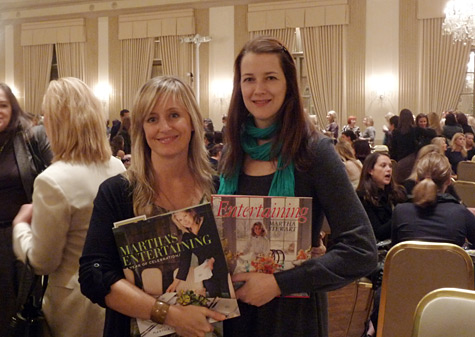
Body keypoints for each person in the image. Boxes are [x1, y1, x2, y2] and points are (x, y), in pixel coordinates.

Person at [217, 36, 377, 337]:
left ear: (288, 84)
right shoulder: (231, 152)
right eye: (249, 79)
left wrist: (278, 283)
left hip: (292, 319)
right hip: (234, 317)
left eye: (270, 78)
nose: (258, 89)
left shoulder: (314, 152)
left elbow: (362, 250)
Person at [79, 76, 226, 337]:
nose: (164, 127)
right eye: (152, 119)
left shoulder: (220, 187)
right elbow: (94, 276)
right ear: (141, 129)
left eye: (174, 115)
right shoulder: (117, 192)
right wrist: (171, 315)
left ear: (192, 121)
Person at [12, 77, 125, 337]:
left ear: (56, 123)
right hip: (116, 298)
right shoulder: (115, 166)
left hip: (74, 308)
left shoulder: (53, 180)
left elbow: (43, 261)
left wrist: (20, 228)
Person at [0, 83, 52, 331]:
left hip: (19, 234)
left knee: (18, 309)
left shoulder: (30, 137)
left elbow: (55, 176)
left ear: (12, 108)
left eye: (2, 105)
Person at [392, 152, 475, 247]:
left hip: (409, 262)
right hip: (449, 262)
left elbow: (395, 250)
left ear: (417, 180)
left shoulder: (400, 211)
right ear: (449, 180)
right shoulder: (461, 213)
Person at [167, 208, 231, 298]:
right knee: (215, 299)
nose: (184, 221)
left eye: (185, 216)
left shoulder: (210, 223)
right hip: (206, 272)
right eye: (180, 220)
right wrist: (174, 284)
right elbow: (184, 261)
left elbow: (223, 246)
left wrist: (213, 259)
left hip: (222, 265)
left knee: (230, 295)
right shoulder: (187, 237)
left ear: (192, 213)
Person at [356, 152, 406, 241]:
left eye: (390, 166)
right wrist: (401, 214)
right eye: (383, 166)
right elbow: (377, 233)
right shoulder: (363, 197)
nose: (389, 169)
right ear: (370, 170)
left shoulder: (397, 192)